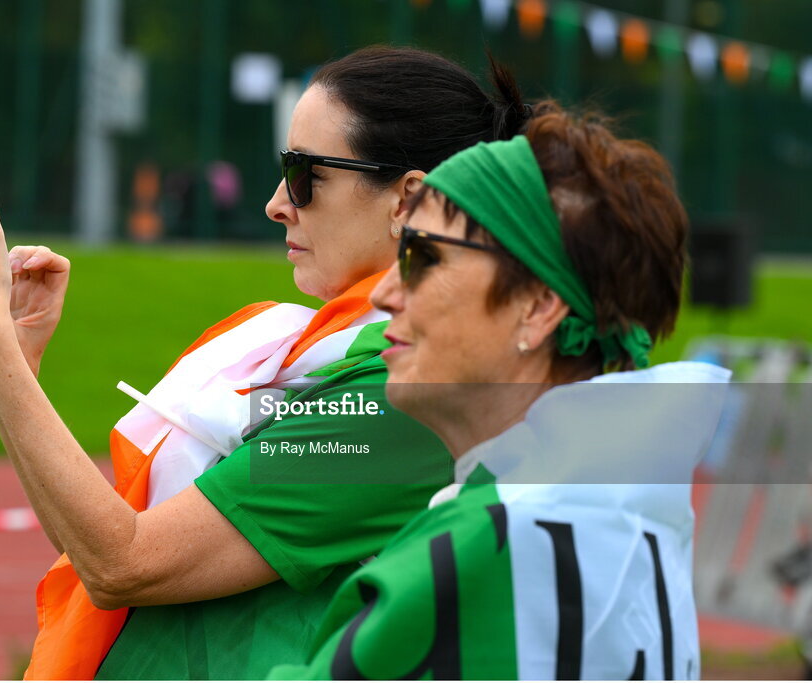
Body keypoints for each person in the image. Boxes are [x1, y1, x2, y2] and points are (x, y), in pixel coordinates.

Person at [0, 47, 534, 680]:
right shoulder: (315, 352)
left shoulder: (397, 397)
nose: (276, 203)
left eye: (305, 174)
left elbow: (124, 562)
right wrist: (8, 365)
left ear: (408, 200)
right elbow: (97, 539)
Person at [268, 103, 731, 679]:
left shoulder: (484, 546)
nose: (385, 293)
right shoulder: (632, 507)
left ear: (537, 307)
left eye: (424, 257)